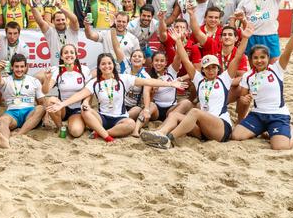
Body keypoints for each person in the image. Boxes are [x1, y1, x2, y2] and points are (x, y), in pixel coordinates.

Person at [140, 23, 253, 149]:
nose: (211, 70)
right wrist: (178, 40)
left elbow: (237, 57)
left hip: (221, 127)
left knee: (194, 111)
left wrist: (245, 38)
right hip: (203, 129)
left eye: (214, 67)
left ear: (218, 69)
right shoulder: (199, 80)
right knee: (175, 115)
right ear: (203, 70)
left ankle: (168, 138)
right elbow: (185, 60)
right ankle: (159, 133)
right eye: (207, 68)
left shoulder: (224, 79)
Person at [49, 53, 186, 142]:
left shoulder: (123, 78)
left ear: (113, 65)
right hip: (101, 118)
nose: (106, 66)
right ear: (99, 67)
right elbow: (80, 95)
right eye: (103, 64)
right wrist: (62, 104)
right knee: (85, 110)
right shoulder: (95, 82)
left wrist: (170, 83)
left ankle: (101, 134)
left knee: (131, 124)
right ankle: (107, 137)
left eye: (109, 63)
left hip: (119, 119)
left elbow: (147, 82)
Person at [231, 23, 293, 150]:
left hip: (278, 115)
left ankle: (291, 130)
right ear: (251, 59)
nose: (259, 61)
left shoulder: (277, 69)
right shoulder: (248, 76)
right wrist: (243, 100)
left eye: (263, 57)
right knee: (236, 136)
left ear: (268, 58)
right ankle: (266, 130)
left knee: (280, 147)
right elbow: (243, 97)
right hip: (257, 115)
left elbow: (288, 51)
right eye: (255, 58)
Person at [0, 54, 47, 149]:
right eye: (16, 67)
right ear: (12, 67)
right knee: (3, 120)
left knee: (41, 108)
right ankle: (5, 140)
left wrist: (44, 118)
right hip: (12, 113)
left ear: (26, 67)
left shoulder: (34, 81)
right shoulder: (6, 80)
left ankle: (18, 134)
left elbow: (42, 102)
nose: (19, 69)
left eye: (22, 66)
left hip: (29, 113)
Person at [42, 44, 92, 137]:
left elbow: (89, 91)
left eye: (72, 52)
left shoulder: (84, 70)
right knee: (50, 100)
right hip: (62, 108)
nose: (69, 55)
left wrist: (86, 102)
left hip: (77, 109)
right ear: (61, 56)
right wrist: (47, 79)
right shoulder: (57, 71)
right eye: (65, 53)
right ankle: (60, 126)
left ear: (76, 55)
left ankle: (78, 121)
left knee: (75, 132)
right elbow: (45, 91)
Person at [0, 18, 29, 106]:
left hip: (14, 75)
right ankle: (2, 94)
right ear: (6, 33)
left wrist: (19, 75)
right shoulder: (1, 38)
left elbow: (26, 67)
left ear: (19, 33)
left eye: (15, 33)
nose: (12, 36)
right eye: (10, 33)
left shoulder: (24, 47)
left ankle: (9, 92)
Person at [31, 2, 79, 69]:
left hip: (73, 68)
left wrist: (61, 7)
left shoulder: (72, 30)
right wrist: (32, 6)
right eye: (58, 20)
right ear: (53, 21)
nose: (61, 22)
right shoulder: (50, 32)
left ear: (66, 20)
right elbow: (40, 22)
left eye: (63, 19)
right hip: (56, 70)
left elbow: (74, 20)